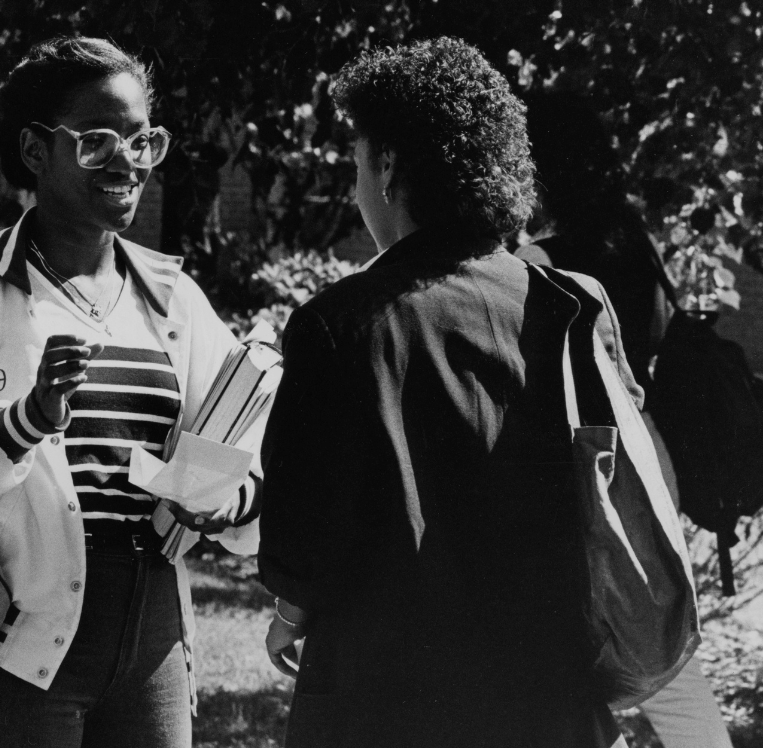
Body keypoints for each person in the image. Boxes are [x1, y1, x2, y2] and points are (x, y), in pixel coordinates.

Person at [0, 36, 261, 748]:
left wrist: (226, 502)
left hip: (154, 646)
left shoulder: (173, 298)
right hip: (11, 646)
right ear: (36, 150)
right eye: (98, 140)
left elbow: (246, 450)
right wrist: (23, 421)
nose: (128, 162)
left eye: (142, 140)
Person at [257, 38, 634, 747]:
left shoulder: (340, 325)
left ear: (388, 165)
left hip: (388, 696)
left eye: (357, 163)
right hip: (547, 694)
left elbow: (303, 537)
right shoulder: (569, 307)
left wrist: (290, 611)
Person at [517, 91, 734, 748]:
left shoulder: (538, 267)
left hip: (578, 468)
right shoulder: (635, 245)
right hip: (644, 455)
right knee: (654, 638)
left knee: (573, 652)